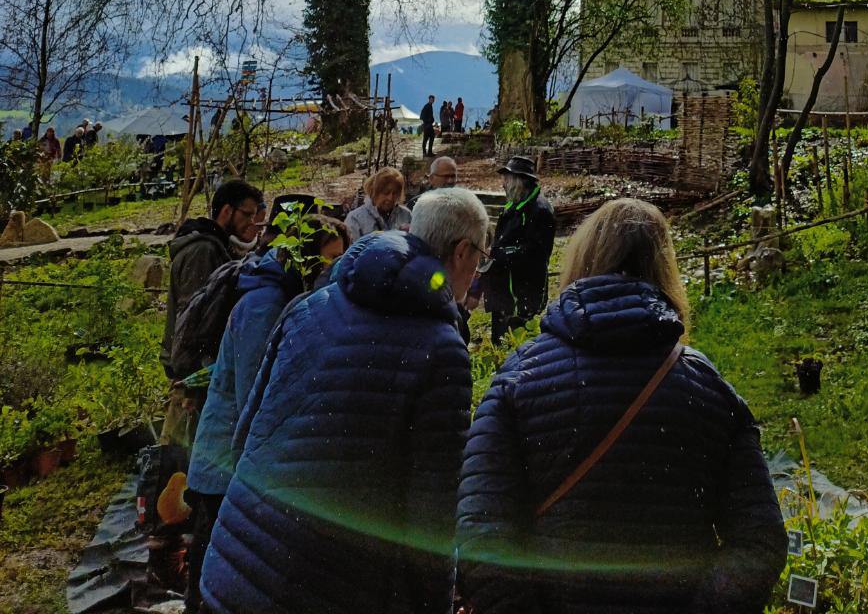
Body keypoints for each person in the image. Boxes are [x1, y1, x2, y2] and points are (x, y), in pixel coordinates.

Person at [458, 197, 787, 614]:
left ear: (580, 262)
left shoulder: (519, 377)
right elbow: (759, 540)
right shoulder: (707, 387)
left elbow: (481, 535)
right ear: (665, 270)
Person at [199, 187, 489, 614]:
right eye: (481, 256)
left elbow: (245, 435)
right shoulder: (441, 350)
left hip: (234, 567)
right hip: (326, 586)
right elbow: (431, 516)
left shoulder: (310, 304)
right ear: (462, 252)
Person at [184, 216, 345, 613]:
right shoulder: (264, 306)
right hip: (224, 465)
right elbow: (253, 401)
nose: (338, 272)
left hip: (242, 464)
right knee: (211, 580)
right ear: (305, 260)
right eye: (330, 261)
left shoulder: (291, 302)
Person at [161, 179, 265, 377]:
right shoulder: (203, 251)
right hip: (192, 372)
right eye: (247, 214)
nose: (252, 223)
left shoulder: (217, 247)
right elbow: (194, 318)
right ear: (227, 211)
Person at [484, 154, 555, 346]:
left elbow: (536, 254)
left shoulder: (540, 211)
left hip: (522, 294)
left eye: (507, 179)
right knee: (499, 343)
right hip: (504, 292)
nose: (503, 184)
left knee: (517, 346)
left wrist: (499, 253)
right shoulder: (515, 205)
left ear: (520, 181)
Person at [344, 167, 411, 241]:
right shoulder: (355, 219)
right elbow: (352, 250)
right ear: (374, 192)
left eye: (395, 193)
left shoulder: (406, 215)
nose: (390, 198)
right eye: (386, 193)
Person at [420, 92, 437, 158]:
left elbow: (430, 116)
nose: (432, 100)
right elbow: (422, 116)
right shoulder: (426, 106)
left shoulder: (430, 106)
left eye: (433, 99)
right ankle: (425, 153)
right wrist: (427, 122)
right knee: (425, 139)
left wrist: (432, 120)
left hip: (429, 125)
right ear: (429, 99)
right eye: (431, 99)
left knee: (431, 137)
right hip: (427, 126)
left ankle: (429, 152)